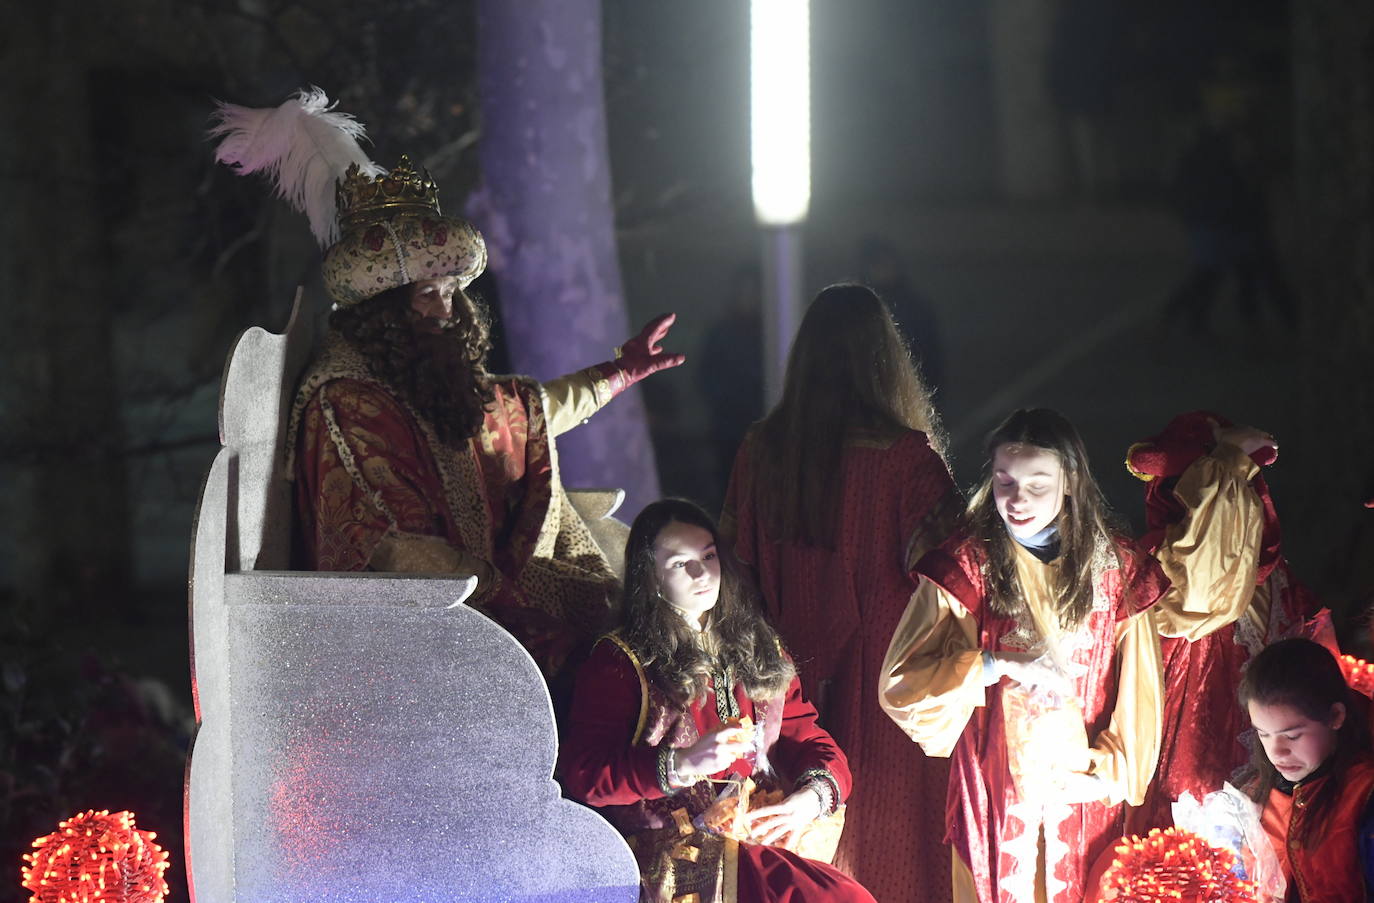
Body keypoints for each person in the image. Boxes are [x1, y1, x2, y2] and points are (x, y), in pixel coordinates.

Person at [210, 90, 685, 675]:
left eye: (452, 293)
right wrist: (499, 599)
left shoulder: (426, 373)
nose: (445, 311)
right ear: (383, 308)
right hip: (417, 634)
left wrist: (619, 372)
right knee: (605, 650)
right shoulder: (347, 399)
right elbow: (390, 539)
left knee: (642, 619)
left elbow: (515, 414)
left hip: (479, 591)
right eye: (427, 296)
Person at [721, 282, 960, 902]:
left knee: (795, 850)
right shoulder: (907, 461)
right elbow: (959, 581)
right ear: (886, 361)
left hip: (782, 685)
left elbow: (735, 570)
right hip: (887, 692)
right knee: (893, 852)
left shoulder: (761, 453)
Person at [880, 409, 1169, 903]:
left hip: (1081, 795)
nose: (1017, 499)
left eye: (1038, 484)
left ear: (1071, 480)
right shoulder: (969, 565)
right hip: (992, 792)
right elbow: (903, 683)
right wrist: (993, 664)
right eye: (1004, 481)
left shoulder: (1117, 568)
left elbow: (1141, 693)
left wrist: (1108, 775)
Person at [558, 499, 877, 903]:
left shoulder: (757, 646)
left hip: (756, 832)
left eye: (708, 555)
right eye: (679, 563)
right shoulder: (623, 660)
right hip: (674, 850)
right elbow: (584, 776)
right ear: (651, 578)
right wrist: (682, 764)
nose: (701, 573)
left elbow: (806, 736)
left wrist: (811, 798)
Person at [1123, 411, 1323, 832]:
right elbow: (1201, 584)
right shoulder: (1159, 570)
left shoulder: (1277, 577)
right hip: (1191, 775)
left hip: (1280, 781)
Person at [1239, 637, 1374, 900]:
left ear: (1335, 717)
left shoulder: (1365, 796)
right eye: (1263, 734)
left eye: (1292, 736)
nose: (1276, 752)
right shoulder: (1256, 794)